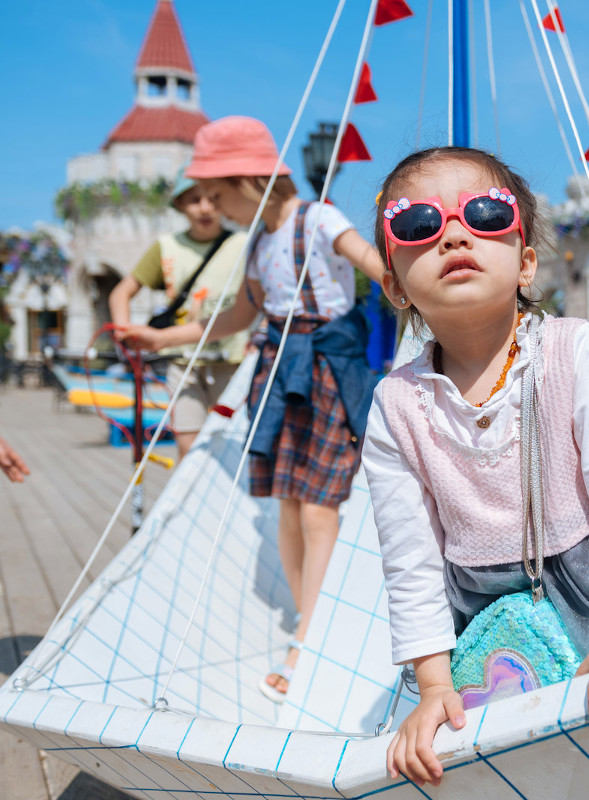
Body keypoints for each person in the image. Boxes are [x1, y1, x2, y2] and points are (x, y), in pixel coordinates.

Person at [361, 146, 589, 788]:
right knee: (534, 774)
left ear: (525, 263)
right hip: (491, 620)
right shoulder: (396, 406)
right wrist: (433, 681)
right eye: (417, 226)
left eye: (486, 214)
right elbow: (409, 559)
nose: (455, 234)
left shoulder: (572, 352)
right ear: (394, 285)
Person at [118, 116, 386, 703]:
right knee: (289, 505)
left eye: (217, 192)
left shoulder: (318, 218)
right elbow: (242, 316)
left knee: (319, 509)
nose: (212, 205)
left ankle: (308, 640)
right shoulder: (261, 242)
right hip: (276, 371)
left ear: (248, 180)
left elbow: (376, 268)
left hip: (326, 370)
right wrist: (160, 338)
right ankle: (307, 621)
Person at [109, 168, 249, 459]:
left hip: (233, 359)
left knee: (236, 444)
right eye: (194, 200)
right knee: (189, 446)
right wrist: (125, 332)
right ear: (180, 205)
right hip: (183, 362)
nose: (205, 207)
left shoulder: (244, 242)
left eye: (212, 198)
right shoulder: (167, 247)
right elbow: (121, 292)